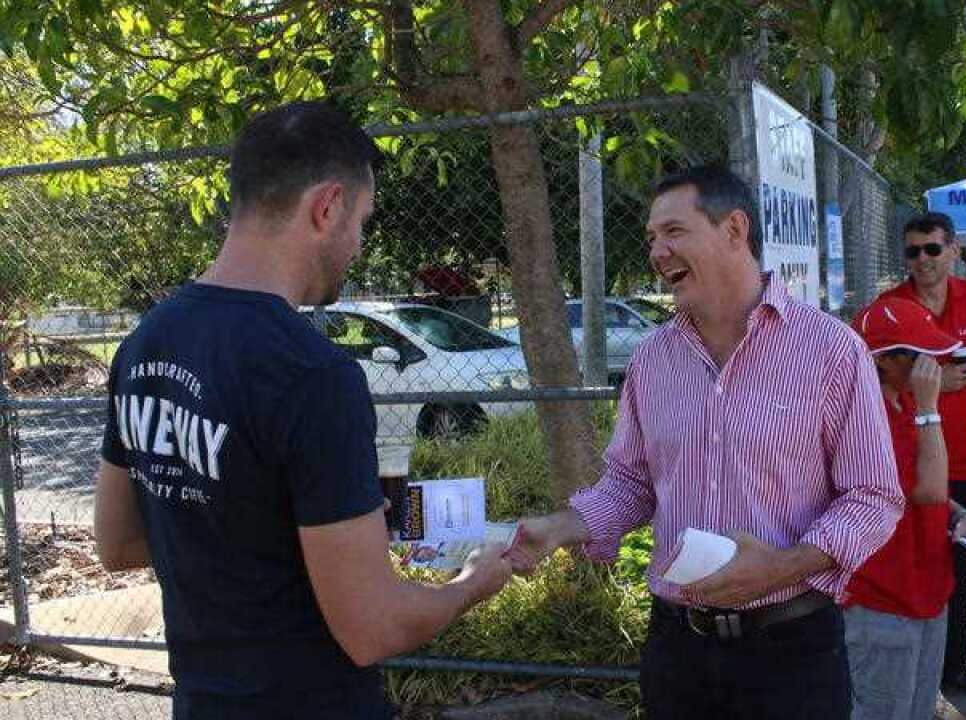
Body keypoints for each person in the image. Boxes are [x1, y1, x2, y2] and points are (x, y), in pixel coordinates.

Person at [93, 102, 512, 719]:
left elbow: (119, 542)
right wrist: (474, 581)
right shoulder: (313, 374)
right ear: (327, 207)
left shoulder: (143, 345)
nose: (358, 245)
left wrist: (282, 535)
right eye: (362, 222)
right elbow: (373, 629)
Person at [504, 165, 904, 719]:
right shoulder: (652, 358)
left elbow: (874, 496)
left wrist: (786, 565)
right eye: (651, 238)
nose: (657, 252)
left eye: (673, 232)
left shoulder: (831, 350)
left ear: (735, 230)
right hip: (678, 651)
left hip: (791, 652)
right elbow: (630, 483)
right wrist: (560, 527)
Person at [878, 211, 966, 703]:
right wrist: (931, 392)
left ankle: (952, 666)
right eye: (913, 251)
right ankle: (916, 677)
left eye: (932, 250)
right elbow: (872, 380)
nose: (922, 260)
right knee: (914, 573)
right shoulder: (890, 309)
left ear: (953, 251)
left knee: (960, 576)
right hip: (912, 470)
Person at [844, 297, 966, 720]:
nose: (935, 362)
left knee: (919, 709)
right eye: (922, 354)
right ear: (884, 360)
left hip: (926, 589)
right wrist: (929, 408)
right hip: (883, 598)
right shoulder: (865, 416)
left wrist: (958, 514)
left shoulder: (900, 401)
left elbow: (932, 494)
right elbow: (927, 490)